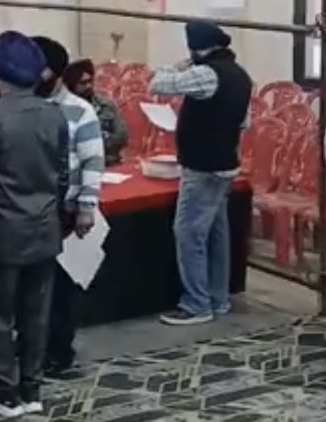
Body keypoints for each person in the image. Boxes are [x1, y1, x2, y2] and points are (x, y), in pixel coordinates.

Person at [0, 31, 67, 417]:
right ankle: (32, 387)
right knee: (37, 313)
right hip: (46, 225)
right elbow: (63, 174)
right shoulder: (54, 115)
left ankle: (5, 389)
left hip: (4, 229)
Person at [150, 20, 252, 326]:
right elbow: (245, 122)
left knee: (189, 233)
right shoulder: (241, 75)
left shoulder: (207, 73)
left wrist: (175, 66)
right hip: (225, 163)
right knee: (216, 234)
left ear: (196, 47)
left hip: (203, 166)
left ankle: (196, 304)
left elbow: (158, 84)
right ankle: (218, 298)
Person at [31, 38, 105, 378]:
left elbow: (92, 160)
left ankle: (59, 352)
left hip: (64, 211)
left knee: (61, 288)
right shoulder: (24, 105)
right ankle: (33, 346)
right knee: (32, 286)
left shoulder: (79, 110)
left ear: (55, 72)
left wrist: (86, 206)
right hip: (29, 210)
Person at [63, 58, 128, 166]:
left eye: (90, 81)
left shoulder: (106, 105)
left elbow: (122, 136)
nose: (88, 86)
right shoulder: (62, 108)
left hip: (107, 162)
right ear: (72, 85)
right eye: (83, 83)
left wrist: (93, 144)